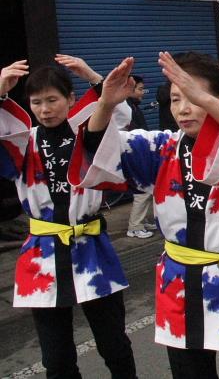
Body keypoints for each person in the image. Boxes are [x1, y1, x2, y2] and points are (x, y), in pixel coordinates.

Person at [71, 52, 219, 378]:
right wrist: (105, 105)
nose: (183, 109)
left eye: (193, 97)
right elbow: (101, 150)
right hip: (180, 281)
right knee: (189, 372)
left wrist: (205, 99)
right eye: (175, 99)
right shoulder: (161, 147)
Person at [0, 56, 137, 379]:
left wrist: (91, 75)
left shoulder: (85, 130)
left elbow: (120, 114)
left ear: (71, 99)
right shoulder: (22, 140)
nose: (45, 109)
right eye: (36, 102)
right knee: (57, 358)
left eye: (52, 100)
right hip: (42, 255)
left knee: (114, 344)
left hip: (91, 250)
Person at [124, 75, 157, 239]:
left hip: (140, 153)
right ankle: (135, 226)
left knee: (147, 189)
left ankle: (140, 221)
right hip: (135, 155)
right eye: (140, 89)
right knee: (142, 190)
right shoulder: (126, 109)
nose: (143, 92)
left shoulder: (133, 106)